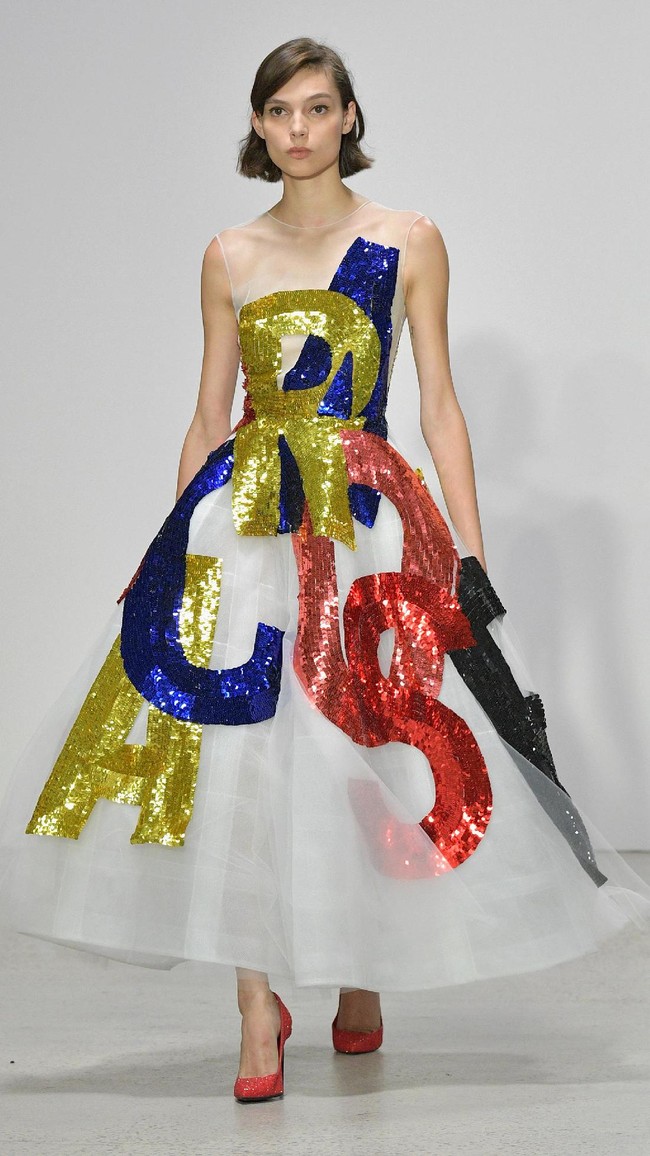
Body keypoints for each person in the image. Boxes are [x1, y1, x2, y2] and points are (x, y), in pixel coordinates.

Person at [1, 36, 649, 1105]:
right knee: (245, 758)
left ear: (349, 117)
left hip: (366, 518)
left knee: (372, 737)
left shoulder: (409, 240)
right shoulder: (226, 255)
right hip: (246, 520)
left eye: (316, 108)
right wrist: (172, 543)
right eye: (278, 112)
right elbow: (208, 412)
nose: (297, 129)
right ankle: (257, 1005)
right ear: (257, 129)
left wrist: (470, 548)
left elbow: (437, 400)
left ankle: (360, 969)